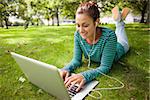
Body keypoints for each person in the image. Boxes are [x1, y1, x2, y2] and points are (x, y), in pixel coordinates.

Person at [60, 1, 130, 92]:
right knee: (119, 27)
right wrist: (66, 69)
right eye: (77, 25)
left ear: (96, 22)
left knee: (120, 28)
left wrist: (84, 76)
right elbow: (76, 60)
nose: (80, 30)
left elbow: (105, 67)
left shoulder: (109, 36)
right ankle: (119, 19)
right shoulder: (78, 35)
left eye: (85, 25)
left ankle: (119, 21)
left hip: (121, 45)